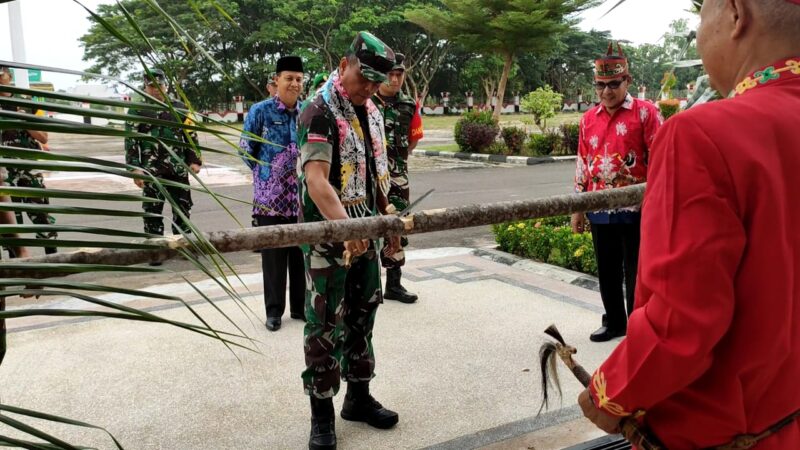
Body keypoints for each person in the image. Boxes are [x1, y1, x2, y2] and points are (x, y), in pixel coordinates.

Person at [578, 1, 800, 448]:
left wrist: (610, 393)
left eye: (701, 19)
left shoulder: (700, 133)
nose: (699, 38)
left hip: (730, 431)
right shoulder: (589, 120)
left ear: (736, 15)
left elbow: (682, 321)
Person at [297, 31, 400, 450]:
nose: (371, 89)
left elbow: (377, 174)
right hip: (328, 238)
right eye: (365, 78)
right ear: (344, 66)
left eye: (378, 81)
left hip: (364, 232)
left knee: (363, 313)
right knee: (324, 324)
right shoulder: (317, 111)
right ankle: (321, 413)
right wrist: (347, 230)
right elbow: (317, 182)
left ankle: (358, 397)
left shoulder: (370, 110)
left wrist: (386, 228)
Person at [571, 43, 662, 342]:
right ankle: (614, 323)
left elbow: (661, 160)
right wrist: (578, 207)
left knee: (637, 272)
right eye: (600, 86)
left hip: (638, 208)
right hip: (599, 207)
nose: (606, 92)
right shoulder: (587, 120)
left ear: (628, 81)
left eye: (613, 84)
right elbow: (582, 164)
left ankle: (638, 326)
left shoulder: (646, 114)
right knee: (607, 270)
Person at [239, 56, 306, 332]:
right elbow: (245, 149)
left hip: (302, 200)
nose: (294, 83)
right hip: (270, 203)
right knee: (274, 261)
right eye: (288, 78)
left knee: (302, 257)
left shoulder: (308, 112)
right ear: (276, 80)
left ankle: (301, 308)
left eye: (299, 79)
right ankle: (274, 312)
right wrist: (266, 177)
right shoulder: (260, 111)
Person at [124, 69, 201, 246]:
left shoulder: (179, 107)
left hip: (177, 168)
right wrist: (134, 169)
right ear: (146, 86)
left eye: (160, 85)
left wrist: (194, 160)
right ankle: (155, 248)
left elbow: (191, 134)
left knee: (182, 207)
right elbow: (131, 141)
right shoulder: (138, 110)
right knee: (152, 209)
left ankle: (184, 243)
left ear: (165, 85)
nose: (156, 89)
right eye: (152, 86)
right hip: (151, 170)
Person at [372, 53, 423, 304]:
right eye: (390, 74)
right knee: (366, 226)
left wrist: (395, 165)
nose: (394, 79)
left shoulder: (408, 104)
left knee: (398, 227)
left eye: (399, 74)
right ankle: (368, 285)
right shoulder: (366, 100)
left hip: (398, 178)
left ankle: (393, 284)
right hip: (368, 177)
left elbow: (413, 139)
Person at [0, 64, 57, 255]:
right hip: (4, 174)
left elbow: (44, 137)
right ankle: (17, 262)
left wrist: (23, 119)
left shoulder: (26, 103)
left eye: (1, 74)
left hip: (29, 170)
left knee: (41, 215)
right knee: (10, 222)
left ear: (9, 75)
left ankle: (52, 257)